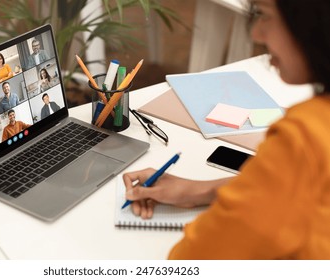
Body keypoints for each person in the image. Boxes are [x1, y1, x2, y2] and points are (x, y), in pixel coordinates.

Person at [123, 0, 330, 259]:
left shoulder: (303, 137)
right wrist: (201, 190)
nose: (256, 34)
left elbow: (192, 260)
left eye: (265, 16)